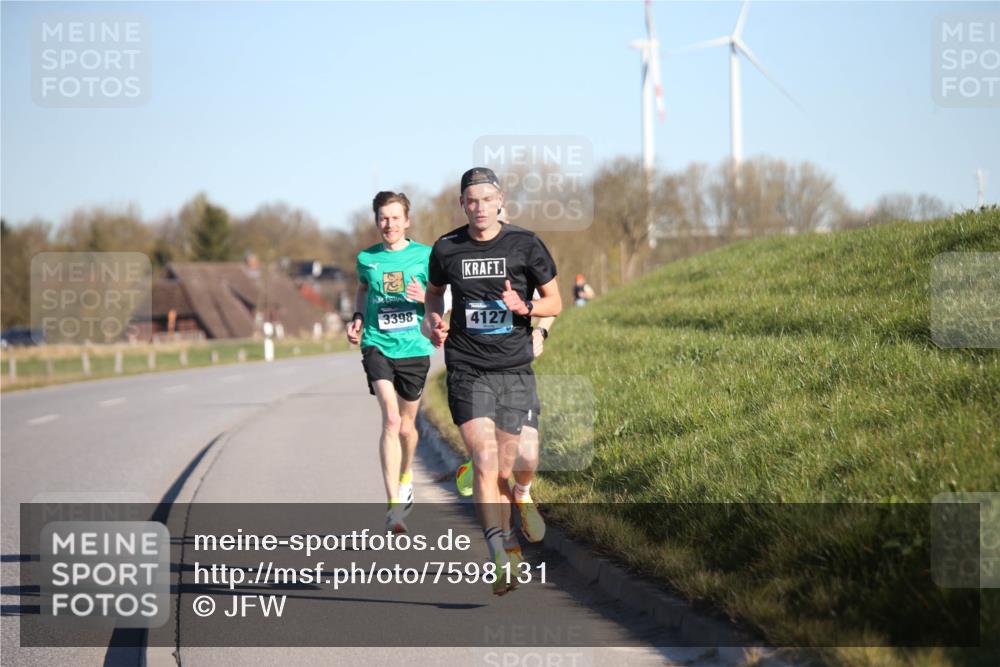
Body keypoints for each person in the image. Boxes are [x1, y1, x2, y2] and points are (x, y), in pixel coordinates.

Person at [422, 167, 562, 595]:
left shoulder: (525, 243)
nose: (479, 207)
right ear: (462, 204)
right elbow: (433, 294)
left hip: (514, 368)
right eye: (471, 200)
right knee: (484, 460)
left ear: (500, 200)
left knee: (522, 459)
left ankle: (522, 493)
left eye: (486, 198)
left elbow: (555, 299)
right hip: (466, 366)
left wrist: (528, 310)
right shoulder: (447, 248)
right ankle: (499, 554)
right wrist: (434, 321)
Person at [346, 191, 434, 534]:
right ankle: (394, 507)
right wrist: (356, 316)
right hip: (377, 344)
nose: (389, 224)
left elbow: (445, 296)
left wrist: (425, 298)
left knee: (408, 429)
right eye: (383, 218)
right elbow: (363, 290)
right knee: (391, 418)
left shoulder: (425, 256)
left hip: (414, 347)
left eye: (396, 218)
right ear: (376, 221)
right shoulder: (366, 259)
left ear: (407, 221)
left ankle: (406, 474)